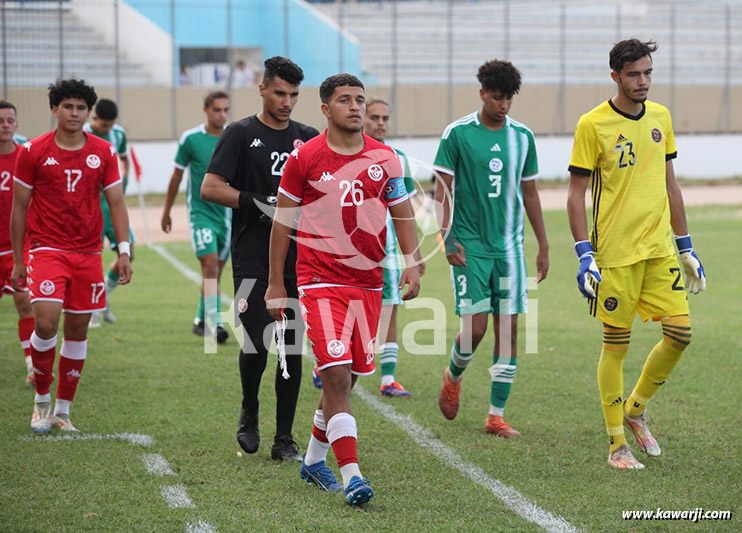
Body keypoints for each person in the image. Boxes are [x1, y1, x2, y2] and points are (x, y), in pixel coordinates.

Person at [265, 73, 420, 505]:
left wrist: (412, 262)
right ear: (325, 109)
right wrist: (276, 282)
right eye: (345, 100)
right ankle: (352, 475)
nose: (355, 107)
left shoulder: (386, 159)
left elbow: (402, 212)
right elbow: (282, 221)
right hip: (318, 280)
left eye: (359, 100)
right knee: (334, 374)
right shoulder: (305, 158)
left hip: (368, 283)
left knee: (347, 378)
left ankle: (314, 461)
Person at [567, 39, 705, 470]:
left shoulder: (661, 117)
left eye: (647, 72)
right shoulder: (593, 124)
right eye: (633, 74)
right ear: (615, 77)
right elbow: (574, 195)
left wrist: (685, 245)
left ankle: (636, 409)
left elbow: (671, 184)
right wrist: (584, 254)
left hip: (659, 249)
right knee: (616, 346)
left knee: (680, 334)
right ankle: (616, 445)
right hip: (616, 255)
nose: (642, 81)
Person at [201, 57, 318, 461]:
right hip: (252, 257)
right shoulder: (239, 133)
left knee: (291, 344)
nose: (287, 102)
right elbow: (211, 188)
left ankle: (283, 439)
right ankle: (249, 407)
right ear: (263, 90)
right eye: (281, 93)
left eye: (294, 95)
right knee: (257, 342)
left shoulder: (308, 137)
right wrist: (257, 201)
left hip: (299, 260)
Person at [433, 60, 549, 438]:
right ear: (482, 93)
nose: (503, 105)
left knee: (509, 331)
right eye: (496, 97)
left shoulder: (523, 137)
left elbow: (529, 192)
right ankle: (453, 377)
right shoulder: (458, 133)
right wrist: (447, 236)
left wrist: (543, 244)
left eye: (508, 98)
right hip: (468, 245)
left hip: (509, 249)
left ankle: (495, 416)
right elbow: (442, 189)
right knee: (476, 329)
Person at [10, 78, 132, 433]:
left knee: (77, 331)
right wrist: (20, 259)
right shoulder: (32, 151)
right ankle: (41, 403)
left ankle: (63, 411)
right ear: (54, 110)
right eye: (68, 106)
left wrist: (123, 251)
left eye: (81, 108)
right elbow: (19, 208)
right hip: (47, 249)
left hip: (89, 253)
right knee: (46, 323)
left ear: (88, 113)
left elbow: (117, 203)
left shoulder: (104, 152)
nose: (75, 113)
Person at [362, 98, 425, 397]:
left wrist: (414, 254)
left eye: (385, 118)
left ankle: (388, 379)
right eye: (374, 117)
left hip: (385, 251)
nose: (381, 123)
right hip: (349, 250)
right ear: (362, 118)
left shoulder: (397, 157)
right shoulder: (347, 152)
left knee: (389, 307)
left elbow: (406, 209)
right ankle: (327, 362)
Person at [161, 91, 231, 343]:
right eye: (217, 110)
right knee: (210, 266)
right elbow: (177, 176)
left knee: (215, 273)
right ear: (206, 110)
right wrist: (167, 211)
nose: (222, 115)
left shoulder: (233, 137)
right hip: (201, 214)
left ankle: (200, 319)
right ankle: (216, 324)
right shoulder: (191, 139)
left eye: (225, 110)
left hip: (228, 218)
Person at [83, 98, 133, 327]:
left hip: (112, 203)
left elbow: (124, 158)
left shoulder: (118, 134)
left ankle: (103, 295)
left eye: (111, 125)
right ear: (94, 119)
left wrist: (125, 180)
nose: (108, 130)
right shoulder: (80, 133)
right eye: (104, 126)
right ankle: (92, 309)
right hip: (88, 206)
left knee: (128, 252)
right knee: (90, 258)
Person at [0, 100, 35, 386]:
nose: (6, 125)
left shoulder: (27, 156)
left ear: (17, 124)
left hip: (18, 245)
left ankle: (32, 365)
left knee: (25, 302)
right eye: (1, 120)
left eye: (10, 120)